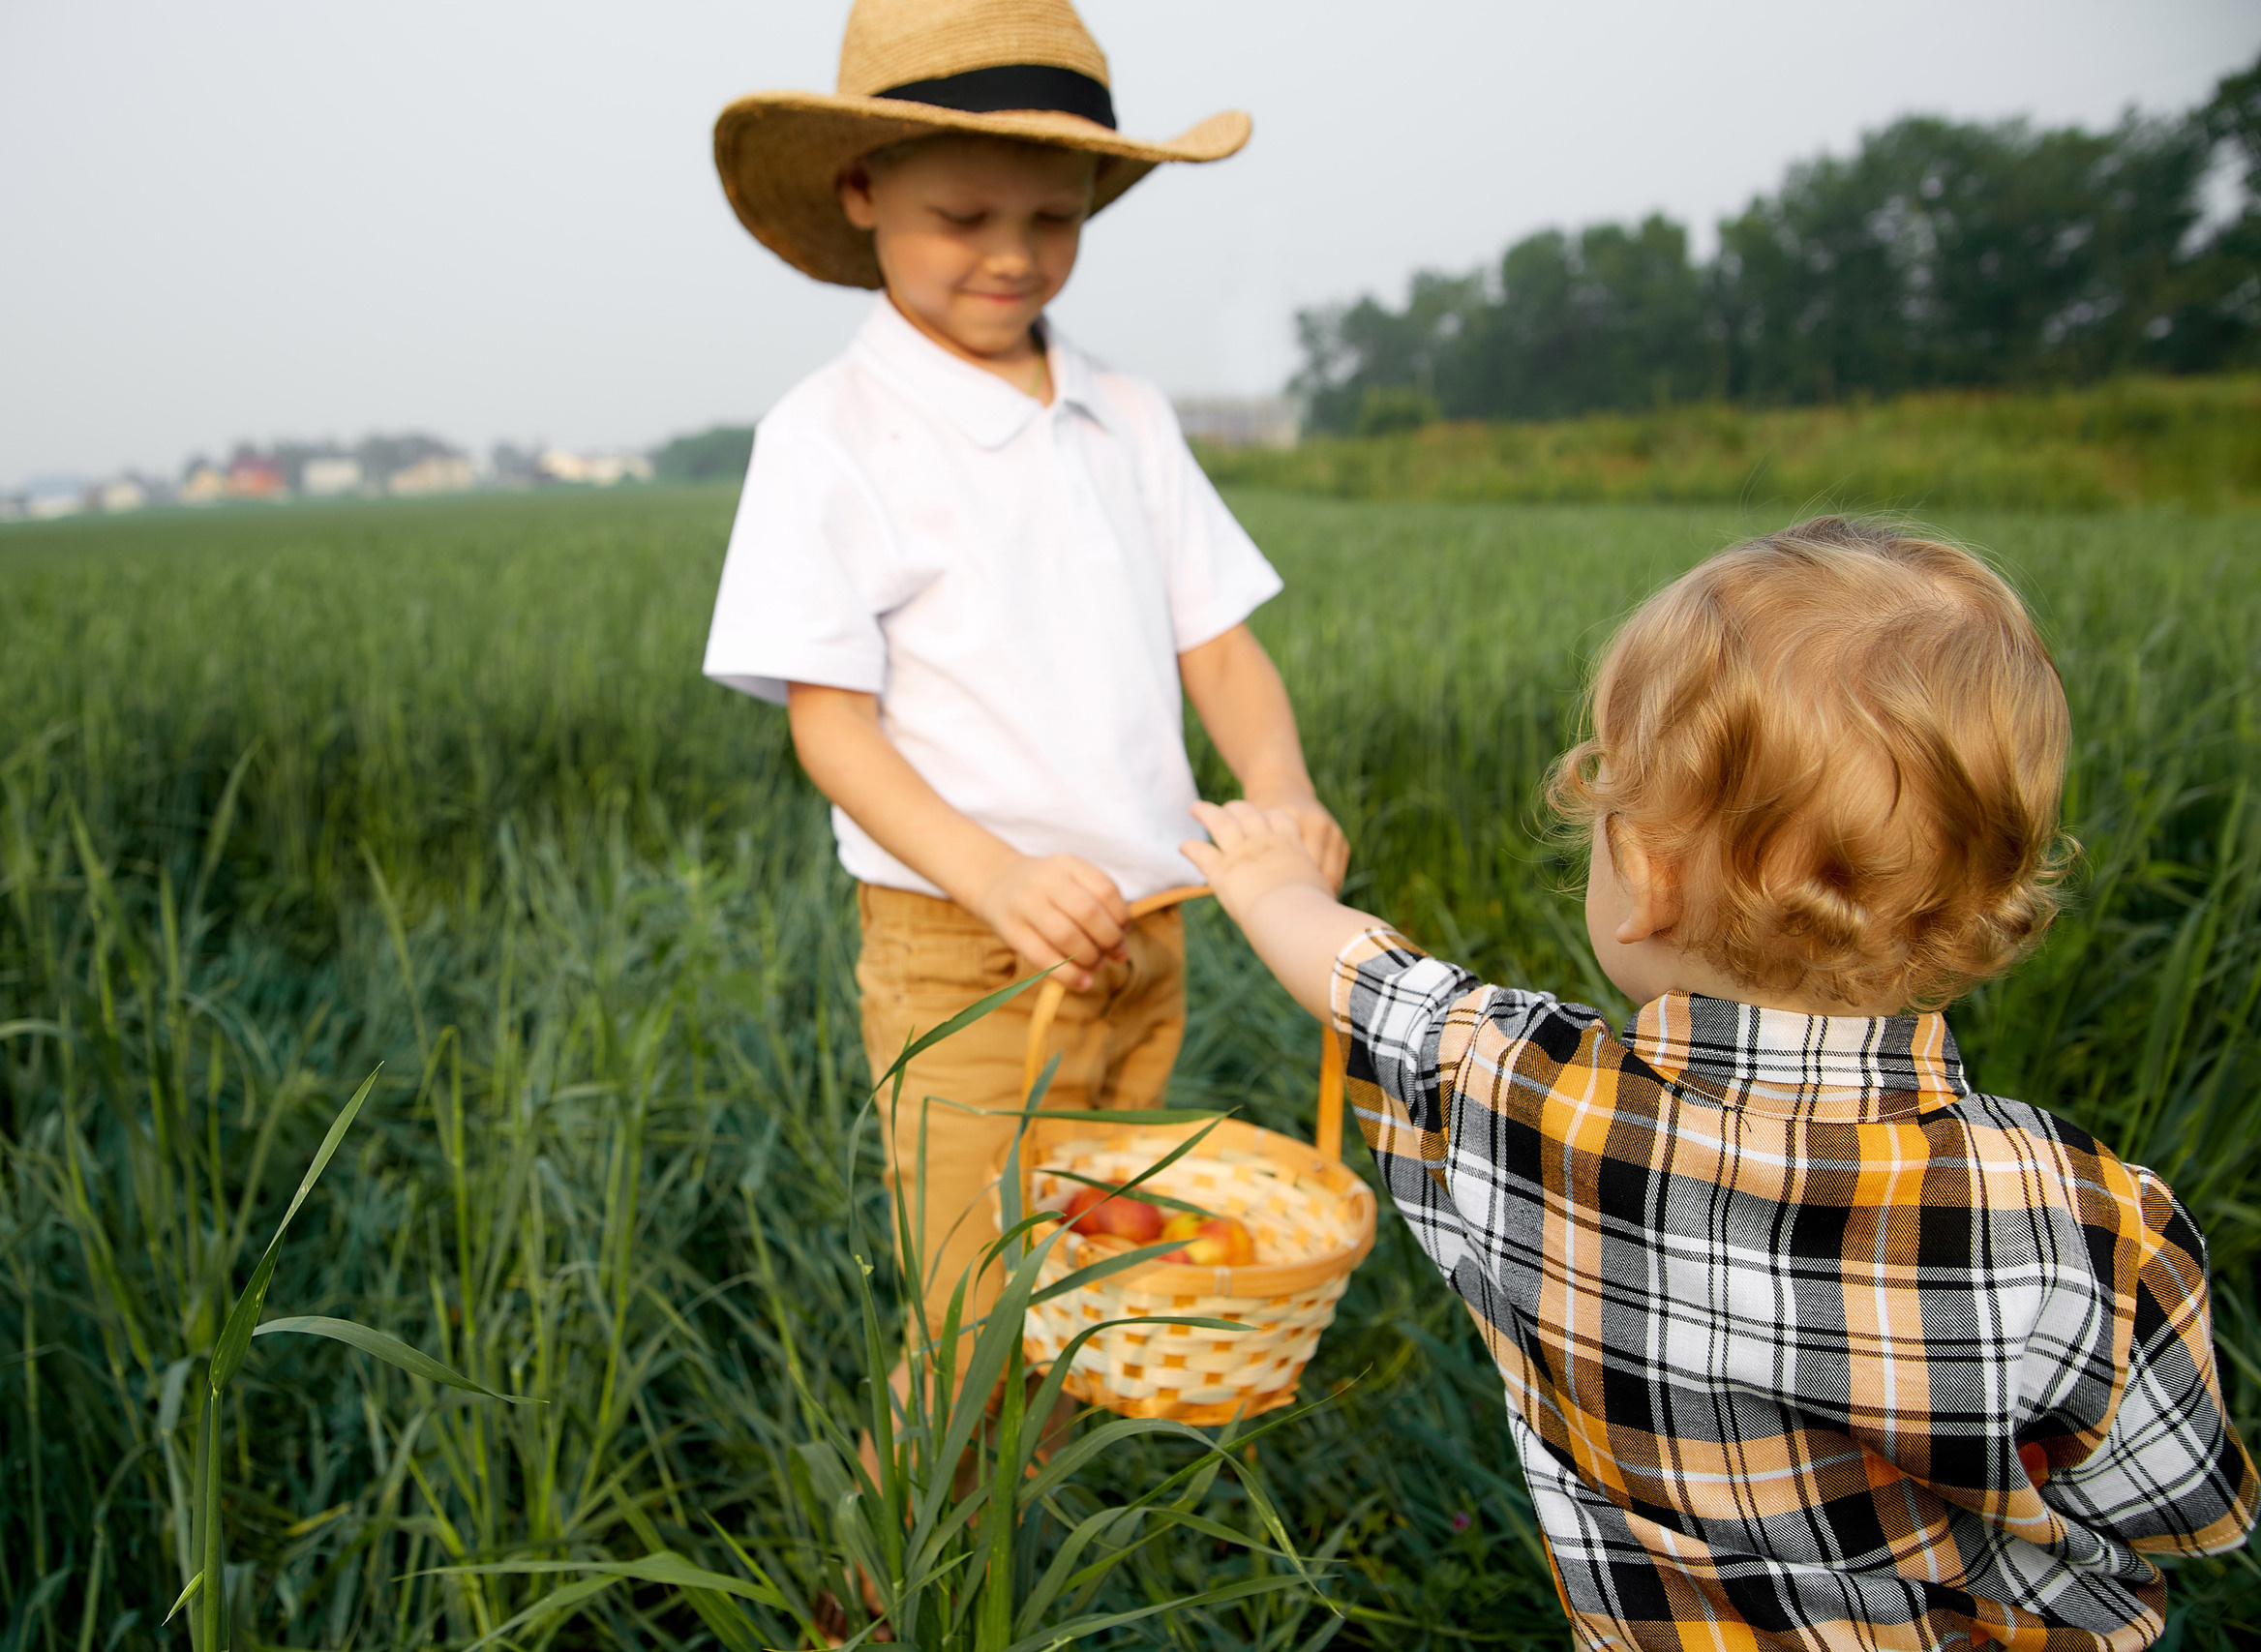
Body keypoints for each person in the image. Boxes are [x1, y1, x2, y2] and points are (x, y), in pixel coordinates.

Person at [1182, 518, 2257, 1649]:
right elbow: (2183, 1508)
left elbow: (1365, 980)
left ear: (1645, 876)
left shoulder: (1517, 1097)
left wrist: (1268, 884)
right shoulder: (2086, 1223)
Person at [702, 0, 1346, 1403]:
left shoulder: (1127, 412)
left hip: (1143, 931)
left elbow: (1220, 646)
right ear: (862, 190)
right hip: (963, 946)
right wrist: (994, 877)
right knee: (978, 1322)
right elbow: (829, 726)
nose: (1013, 253)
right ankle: (897, 1547)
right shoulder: (828, 437)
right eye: (965, 215)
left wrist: (1282, 793)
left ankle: (1034, 1528)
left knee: (1098, 1301)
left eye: (1053, 217)